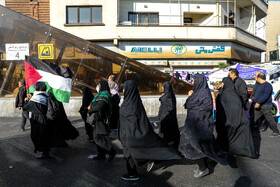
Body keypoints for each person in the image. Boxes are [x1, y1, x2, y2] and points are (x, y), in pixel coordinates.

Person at [119, 80, 180, 181]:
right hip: (129, 133)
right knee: (133, 153)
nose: (124, 90)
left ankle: (132, 174)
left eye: (125, 88)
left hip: (130, 134)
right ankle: (143, 164)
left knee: (129, 154)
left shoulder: (131, 104)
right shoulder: (133, 100)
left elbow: (134, 120)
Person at [179, 75, 228, 178]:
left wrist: (190, 97)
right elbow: (188, 106)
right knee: (197, 146)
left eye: (193, 80)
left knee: (195, 146)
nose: (192, 83)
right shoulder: (197, 93)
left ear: (199, 81)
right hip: (193, 125)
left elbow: (198, 108)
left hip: (199, 126)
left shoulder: (203, 95)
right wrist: (190, 97)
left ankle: (203, 168)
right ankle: (202, 166)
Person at [216, 77, 257, 158]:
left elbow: (220, 108)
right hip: (240, 120)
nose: (222, 84)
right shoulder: (234, 94)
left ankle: (226, 149)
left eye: (223, 83)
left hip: (227, 121)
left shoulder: (224, 94)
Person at [88, 80, 116, 161]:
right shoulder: (101, 95)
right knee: (99, 137)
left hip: (102, 120)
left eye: (98, 85)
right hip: (98, 119)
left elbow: (100, 106)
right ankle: (101, 154)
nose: (97, 87)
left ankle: (111, 151)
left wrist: (90, 110)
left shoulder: (104, 95)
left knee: (99, 137)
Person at [23, 82, 50, 159]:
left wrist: (26, 100)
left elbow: (26, 107)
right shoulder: (46, 96)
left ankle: (44, 152)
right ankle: (45, 151)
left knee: (38, 135)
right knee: (44, 135)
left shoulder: (36, 98)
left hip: (37, 119)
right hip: (44, 118)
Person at [252, 72, 280, 137]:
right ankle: (251, 131)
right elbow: (258, 95)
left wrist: (258, 102)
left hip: (266, 105)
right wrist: (254, 100)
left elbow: (266, 96)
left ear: (259, 78)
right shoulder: (259, 85)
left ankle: (276, 132)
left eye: (257, 78)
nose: (256, 79)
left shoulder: (267, 85)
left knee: (269, 118)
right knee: (254, 118)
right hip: (258, 105)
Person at [158, 82, 180, 148]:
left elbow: (162, 99)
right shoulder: (171, 94)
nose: (162, 88)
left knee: (166, 129)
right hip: (170, 114)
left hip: (166, 114)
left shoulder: (168, 94)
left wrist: (162, 96)